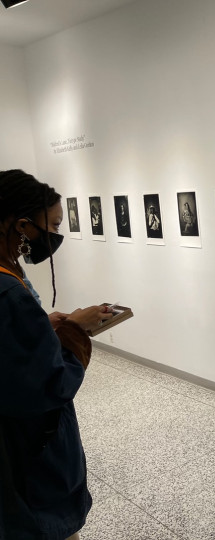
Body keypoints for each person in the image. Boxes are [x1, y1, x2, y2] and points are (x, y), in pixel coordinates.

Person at [0, 169, 113, 540]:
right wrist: (75, 330)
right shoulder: (8, 291)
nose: (55, 235)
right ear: (21, 225)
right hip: (29, 453)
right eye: (51, 224)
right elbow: (51, 383)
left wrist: (40, 325)